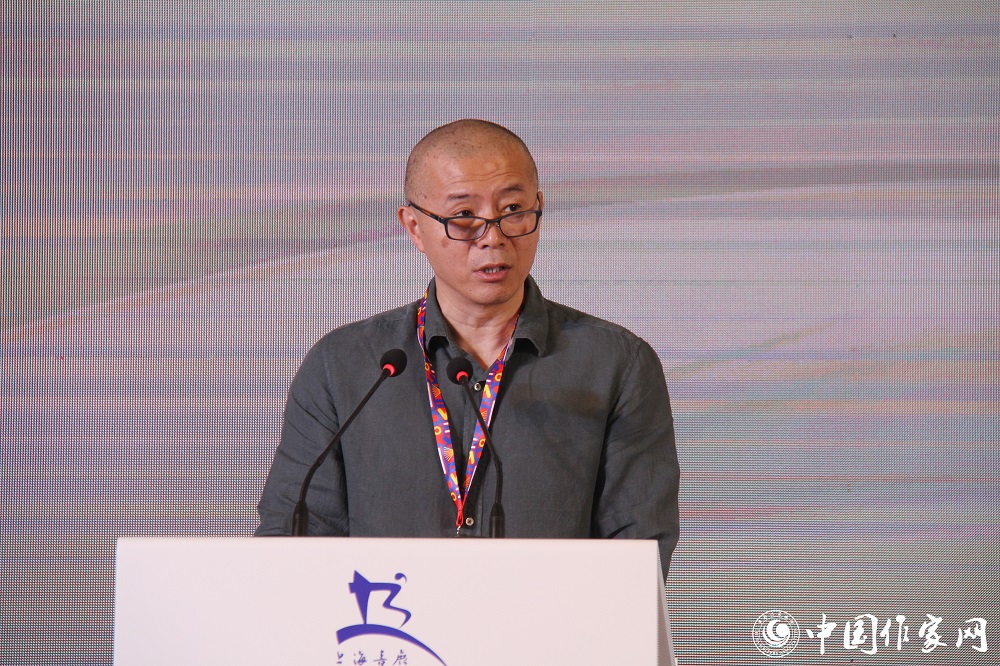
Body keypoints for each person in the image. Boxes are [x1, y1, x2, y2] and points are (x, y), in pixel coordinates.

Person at [255, 119, 680, 577]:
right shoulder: (346, 365)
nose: (492, 237)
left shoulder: (616, 365)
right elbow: (293, 540)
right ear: (414, 227)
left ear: (539, 210)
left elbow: (639, 552)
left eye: (513, 209)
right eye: (463, 216)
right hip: (391, 620)